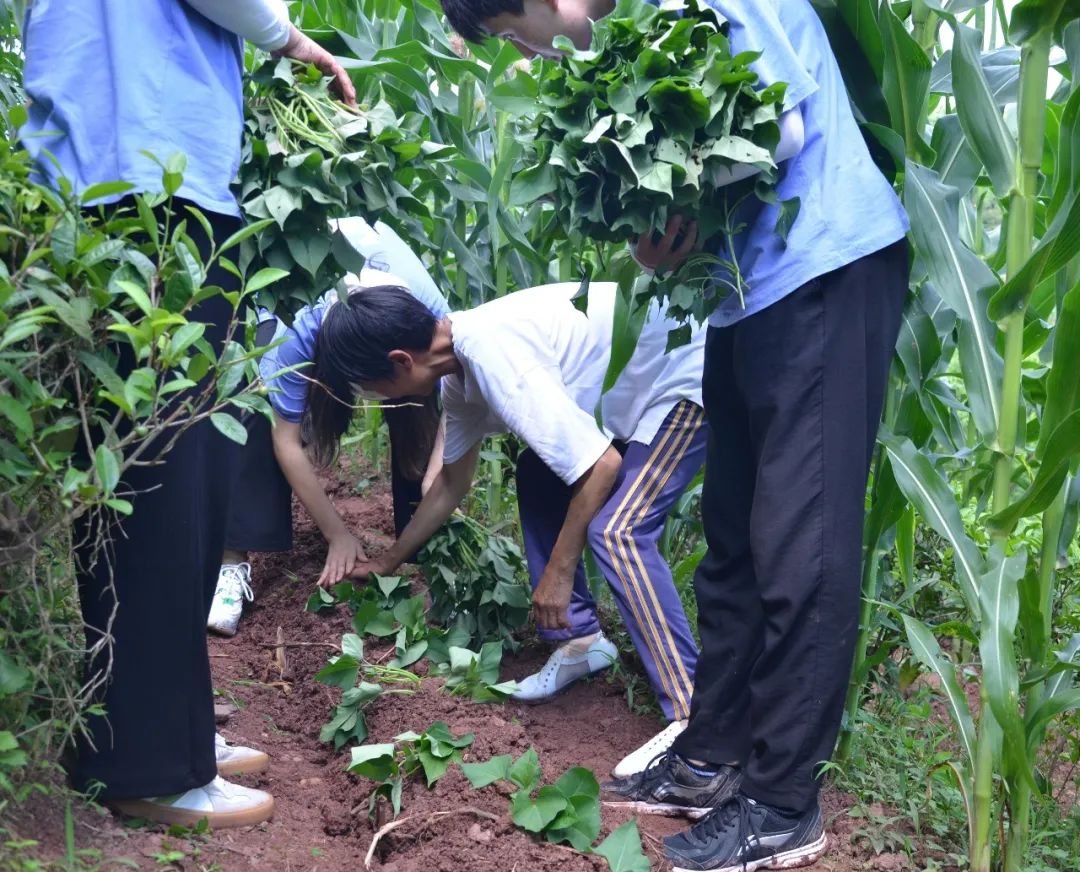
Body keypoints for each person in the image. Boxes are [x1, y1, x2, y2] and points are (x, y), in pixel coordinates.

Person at [438, 0, 911, 869]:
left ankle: (780, 807)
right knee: (733, 547)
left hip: (824, 269)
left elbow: (783, 126)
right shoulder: (634, 31)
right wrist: (659, 241)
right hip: (745, 295)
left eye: (512, 35)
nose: (528, 54)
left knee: (800, 548)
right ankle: (711, 756)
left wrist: (663, 206)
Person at [21, 0, 356, 828]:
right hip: (154, 183)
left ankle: (156, 731)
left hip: (92, 182)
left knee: (147, 484)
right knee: (167, 491)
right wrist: (289, 38)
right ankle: (150, 764)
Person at [312, 281, 708, 779]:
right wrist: (388, 561)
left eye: (370, 388)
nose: (373, 399)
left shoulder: (493, 352)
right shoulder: (459, 372)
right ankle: (582, 643)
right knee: (539, 470)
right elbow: (453, 482)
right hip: (643, 385)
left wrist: (559, 572)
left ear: (400, 360)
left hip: (684, 371)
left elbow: (601, 468)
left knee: (619, 531)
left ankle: (694, 717)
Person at [208, 217, 450, 636]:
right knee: (250, 401)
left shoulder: (431, 316)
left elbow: (464, 391)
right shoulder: (297, 328)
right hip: (300, 289)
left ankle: (423, 550)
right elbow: (285, 440)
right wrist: (336, 533)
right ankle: (231, 563)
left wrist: (437, 475)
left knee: (420, 400)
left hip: (385, 294)